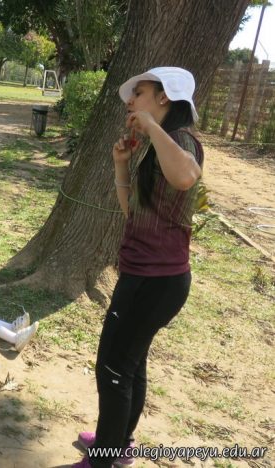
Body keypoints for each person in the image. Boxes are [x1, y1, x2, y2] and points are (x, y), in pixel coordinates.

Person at [73, 67, 204, 468]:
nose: (130, 101)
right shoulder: (158, 147)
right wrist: (121, 165)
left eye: (140, 93)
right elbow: (134, 213)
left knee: (112, 366)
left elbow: (187, 176)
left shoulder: (180, 140)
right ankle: (119, 445)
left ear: (164, 97)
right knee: (131, 363)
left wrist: (151, 127)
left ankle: (103, 457)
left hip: (153, 280)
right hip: (150, 276)